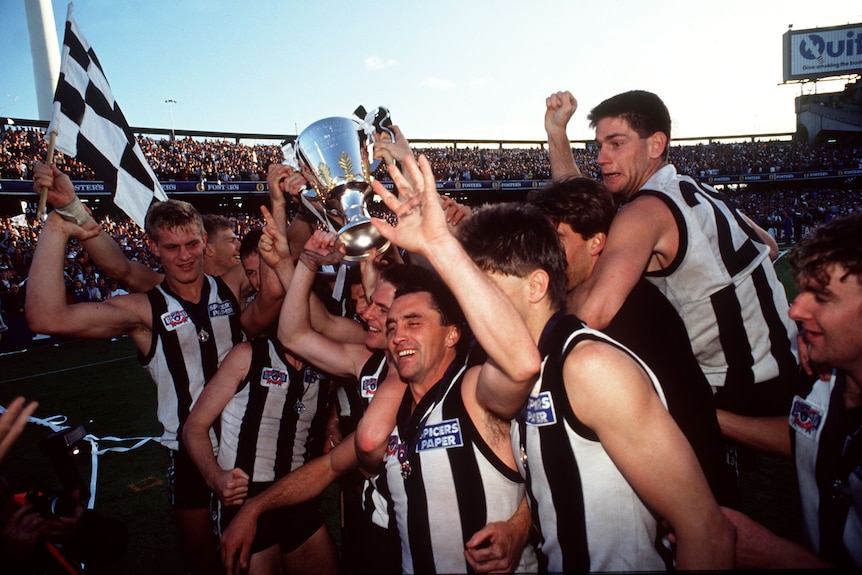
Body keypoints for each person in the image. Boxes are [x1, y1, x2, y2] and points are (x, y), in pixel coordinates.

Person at [370, 152, 735, 571]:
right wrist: (518, 527)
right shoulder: (511, 366)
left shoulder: (590, 366)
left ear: (536, 285)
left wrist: (440, 245)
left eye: (483, 285)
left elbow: (707, 529)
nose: (471, 302)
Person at [25, 194, 254, 574]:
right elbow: (46, 317)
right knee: (203, 558)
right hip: (187, 453)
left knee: (256, 549)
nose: (184, 256)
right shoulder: (143, 309)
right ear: (153, 246)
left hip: (247, 441)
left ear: (204, 242)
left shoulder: (231, 286)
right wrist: (56, 227)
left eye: (192, 245)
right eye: (171, 247)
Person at [549, 89, 798, 416]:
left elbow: (592, 314)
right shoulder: (700, 190)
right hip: (787, 364)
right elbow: (768, 247)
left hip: (737, 387)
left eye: (617, 144)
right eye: (600, 147)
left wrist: (537, 304)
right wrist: (557, 135)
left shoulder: (643, 213)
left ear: (655, 145)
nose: (601, 158)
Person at [530, 177, 738, 505]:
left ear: (596, 242)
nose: (543, 253)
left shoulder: (633, 312)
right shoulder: (600, 299)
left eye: (555, 239)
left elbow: (676, 423)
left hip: (682, 503)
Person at [717, 212, 862, 567]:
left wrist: (776, 555)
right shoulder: (830, 377)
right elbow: (810, 435)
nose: (795, 309)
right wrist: (710, 416)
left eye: (822, 297)